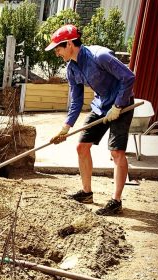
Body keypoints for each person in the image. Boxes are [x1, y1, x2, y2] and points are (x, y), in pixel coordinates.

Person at [46, 24, 135, 216]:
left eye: (58, 48)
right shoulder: (71, 68)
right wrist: (66, 127)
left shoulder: (99, 56)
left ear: (69, 44)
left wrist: (118, 105)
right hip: (101, 106)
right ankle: (86, 193)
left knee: (116, 152)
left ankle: (116, 202)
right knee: (82, 147)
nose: (57, 53)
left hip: (123, 104)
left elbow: (128, 77)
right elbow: (76, 101)